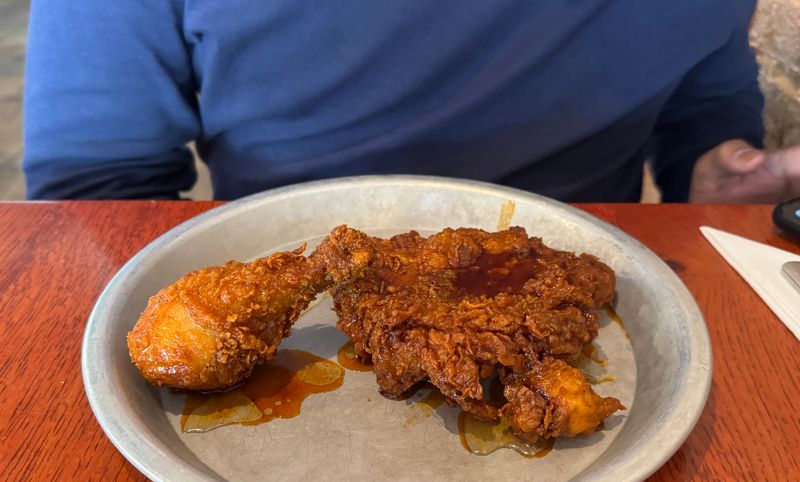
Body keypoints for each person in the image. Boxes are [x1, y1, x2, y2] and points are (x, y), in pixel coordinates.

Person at [22, 1, 799, 203]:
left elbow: (701, 101)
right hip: (295, 312)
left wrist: (711, 171)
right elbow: (96, 188)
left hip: (598, 309)